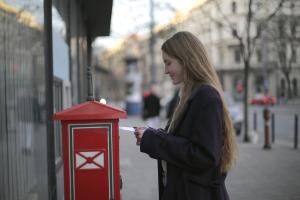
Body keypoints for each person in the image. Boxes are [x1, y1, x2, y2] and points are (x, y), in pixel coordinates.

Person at [134, 31, 237, 200]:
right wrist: (150, 135)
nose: (166, 71)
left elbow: (204, 155)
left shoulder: (206, 96)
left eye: (168, 63)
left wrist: (154, 140)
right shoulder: (189, 94)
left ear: (185, 59)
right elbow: (183, 141)